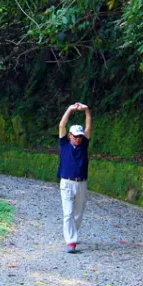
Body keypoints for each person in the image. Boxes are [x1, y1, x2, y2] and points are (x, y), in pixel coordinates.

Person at [57, 103, 92, 254]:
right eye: (75, 136)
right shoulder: (64, 144)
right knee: (68, 212)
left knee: (78, 213)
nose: (78, 139)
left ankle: (73, 233)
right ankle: (71, 241)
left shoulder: (84, 145)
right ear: (70, 135)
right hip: (66, 182)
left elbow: (89, 126)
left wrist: (86, 110)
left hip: (81, 183)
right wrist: (70, 109)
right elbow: (62, 125)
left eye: (80, 136)